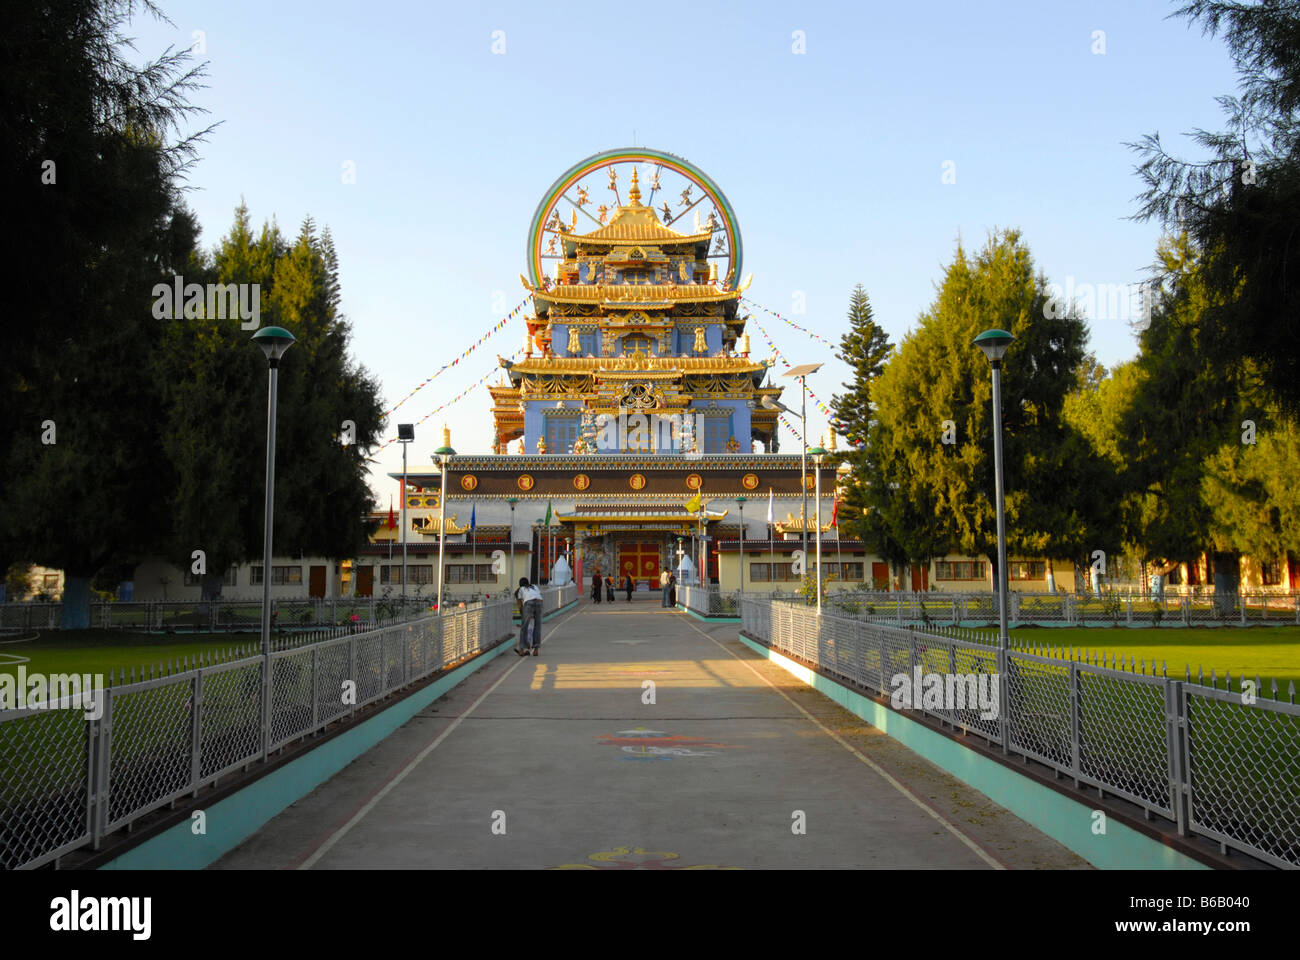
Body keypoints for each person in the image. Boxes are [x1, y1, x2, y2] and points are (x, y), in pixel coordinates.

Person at [515, 577, 543, 656]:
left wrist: (522, 615)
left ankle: (521, 650)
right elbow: (538, 596)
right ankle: (536, 650)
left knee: (524, 627)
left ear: (520, 584)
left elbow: (520, 605)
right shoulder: (535, 586)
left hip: (529, 603)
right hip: (539, 602)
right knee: (537, 627)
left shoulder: (521, 589)